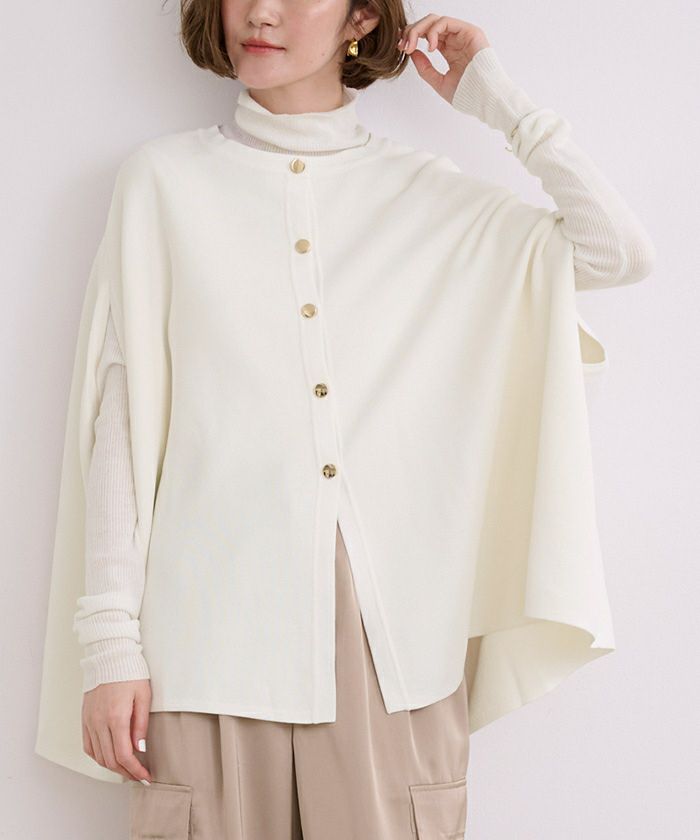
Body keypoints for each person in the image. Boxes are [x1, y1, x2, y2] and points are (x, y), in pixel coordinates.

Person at [36, 2, 655, 838]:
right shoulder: (163, 184)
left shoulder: (429, 197)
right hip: (204, 651)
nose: (260, 12)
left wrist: (493, 97)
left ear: (362, 15)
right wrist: (109, 644)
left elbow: (616, 251)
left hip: (391, 656)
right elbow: (121, 421)